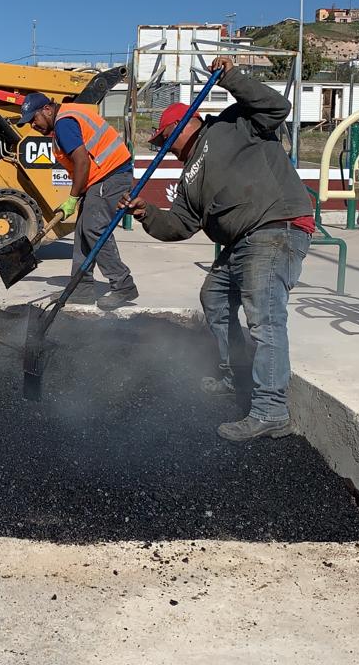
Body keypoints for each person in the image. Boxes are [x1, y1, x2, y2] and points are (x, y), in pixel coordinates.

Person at [120, 56, 315, 442]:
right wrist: (146, 213)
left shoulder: (234, 122)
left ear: (181, 124)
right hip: (240, 241)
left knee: (264, 318)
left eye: (163, 139)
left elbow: (277, 107)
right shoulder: (189, 176)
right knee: (215, 296)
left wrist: (232, 78)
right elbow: (178, 226)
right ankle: (236, 375)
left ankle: (271, 410)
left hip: (274, 226)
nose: (165, 148)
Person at [17, 91, 139, 309]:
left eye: (33, 119)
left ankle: (123, 285)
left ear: (46, 110)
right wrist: (80, 193)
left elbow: (82, 161)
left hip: (111, 175)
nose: (33, 126)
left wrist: (73, 198)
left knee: (94, 229)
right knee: (82, 231)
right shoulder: (64, 121)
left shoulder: (64, 122)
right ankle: (81, 289)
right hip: (102, 177)